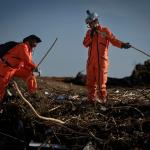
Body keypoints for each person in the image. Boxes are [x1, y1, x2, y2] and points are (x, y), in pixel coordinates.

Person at [83, 10, 131, 103]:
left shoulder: (105, 31)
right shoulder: (89, 33)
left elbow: (114, 40)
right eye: (90, 24)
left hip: (101, 62)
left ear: (96, 21)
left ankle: (102, 101)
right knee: (90, 83)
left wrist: (122, 45)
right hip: (91, 62)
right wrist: (91, 36)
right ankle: (91, 101)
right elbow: (85, 44)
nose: (91, 25)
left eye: (92, 23)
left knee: (101, 84)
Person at [0, 35, 41, 103]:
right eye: (35, 40)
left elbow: (26, 64)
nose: (36, 42)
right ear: (29, 40)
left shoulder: (30, 50)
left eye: (37, 41)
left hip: (15, 69)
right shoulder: (23, 46)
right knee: (1, 87)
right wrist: (36, 67)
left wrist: (32, 69)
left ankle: (33, 93)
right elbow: (27, 60)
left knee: (30, 74)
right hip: (6, 68)